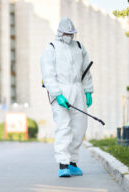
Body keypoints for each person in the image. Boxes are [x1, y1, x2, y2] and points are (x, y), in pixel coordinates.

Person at [40, 17, 93, 177]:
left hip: (77, 89)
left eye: (71, 33)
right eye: (66, 33)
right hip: (61, 90)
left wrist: (88, 90)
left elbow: (86, 71)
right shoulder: (51, 48)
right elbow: (48, 75)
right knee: (63, 127)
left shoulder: (79, 47)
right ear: (60, 32)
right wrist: (57, 95)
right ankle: (63, 164)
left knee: (80, 127)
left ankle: (73, 162)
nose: (69, 36)